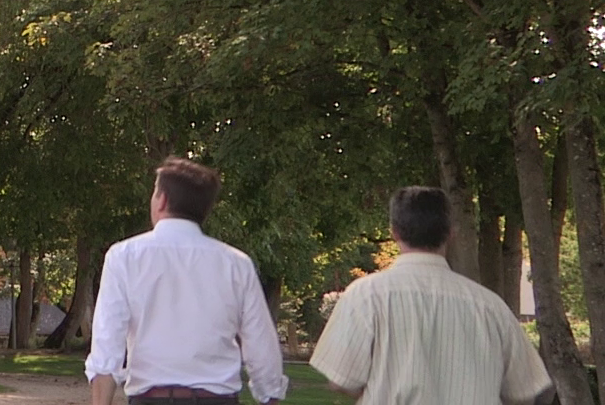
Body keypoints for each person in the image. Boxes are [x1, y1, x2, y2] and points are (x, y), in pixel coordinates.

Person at [311, 186, 552, 405]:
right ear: (450, 233)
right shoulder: (490, 307)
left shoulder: (365, 297)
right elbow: (522, 392)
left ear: (394, 232)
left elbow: (342, 379)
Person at [86, 158, 287, 405]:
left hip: (152, 398)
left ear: (162, 200)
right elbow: (261, 347)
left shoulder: (124, 257)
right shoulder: (236, 264)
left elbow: (107, 348)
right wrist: (269, 395)